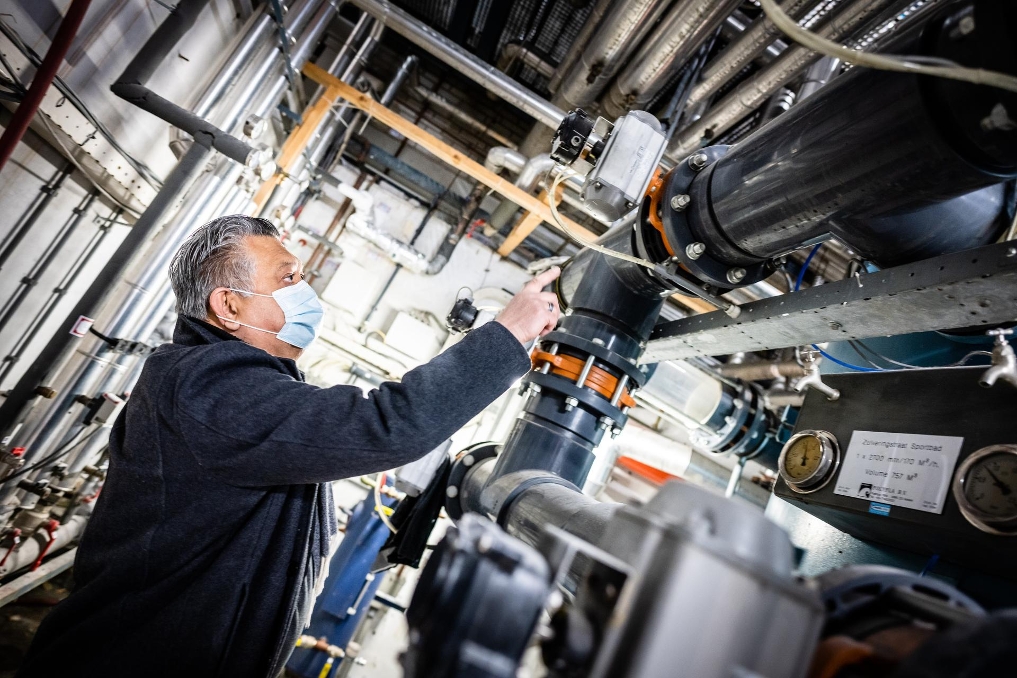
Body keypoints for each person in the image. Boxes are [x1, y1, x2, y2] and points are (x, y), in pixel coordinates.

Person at [17, 215, 560, 677]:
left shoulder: (237, 381)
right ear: (228, 306)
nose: (307, 289)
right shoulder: (210, 384)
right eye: (289, 277)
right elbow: (384, 425)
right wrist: (507, 336)